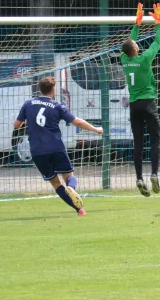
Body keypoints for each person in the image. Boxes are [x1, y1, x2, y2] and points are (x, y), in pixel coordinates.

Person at [13, 76, 103, 216]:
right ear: (53, 89)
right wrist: (96, 129)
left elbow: (16, 125)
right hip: (55, 146)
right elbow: (77, 122)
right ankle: (71, 188)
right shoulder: (57, 106)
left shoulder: (28, 104)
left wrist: (30, 124)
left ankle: (79, 210)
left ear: (40, 89)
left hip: (37, 150)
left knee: (56, 183)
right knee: (68, 175)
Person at [121, 3, 160, 197]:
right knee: (155, 140)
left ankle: (139, 177)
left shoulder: (124, 59)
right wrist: (158, 22)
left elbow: (130, 41)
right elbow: (158, 41)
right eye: (137, 44)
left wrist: (137, 24)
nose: (138, 44)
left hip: (134, 105)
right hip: (148, 103)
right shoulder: (145, 58)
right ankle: (154, 173)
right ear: (135, 49)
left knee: (138, 144)